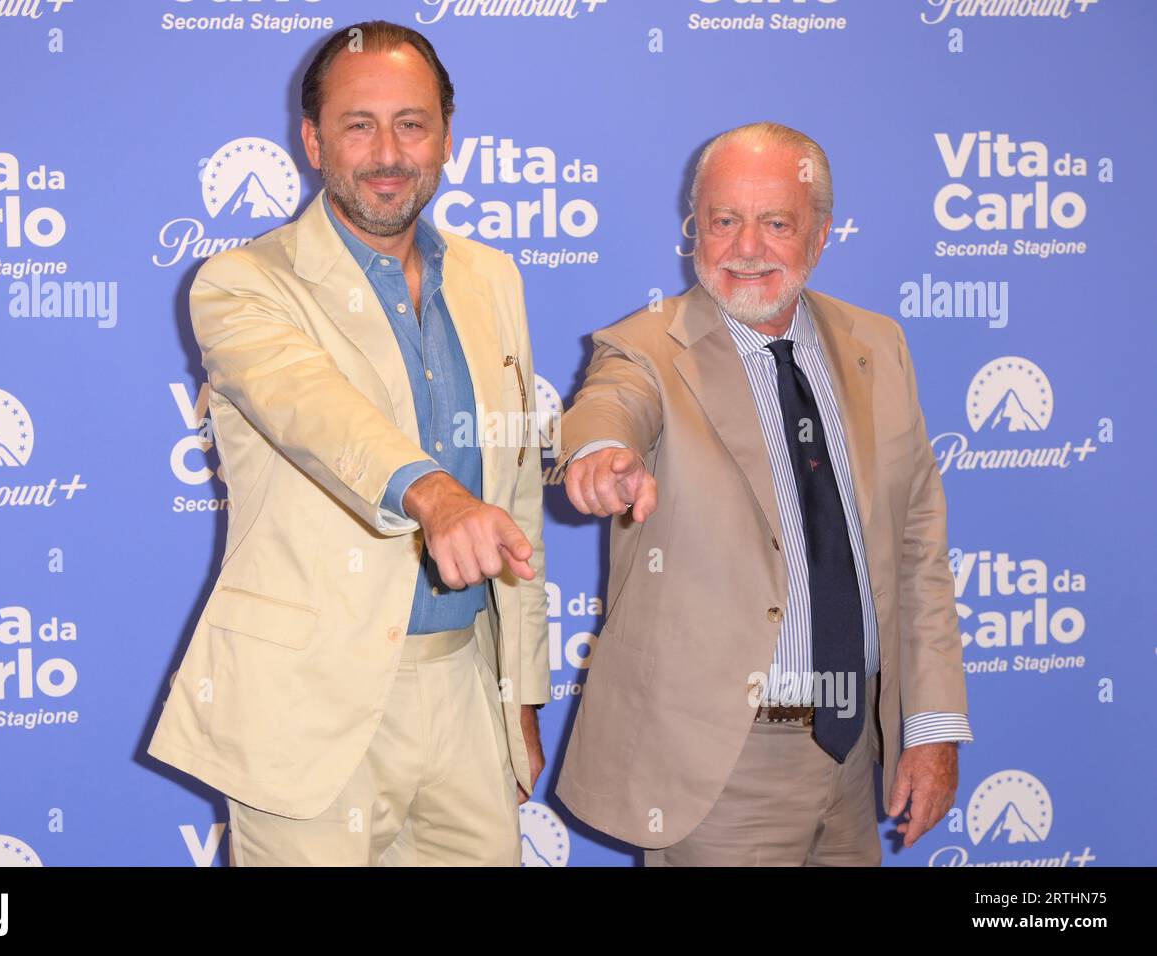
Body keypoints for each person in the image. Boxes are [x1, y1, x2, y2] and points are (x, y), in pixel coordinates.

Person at [147, 20, 549, 866]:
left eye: (412, 123)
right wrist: (434, 494)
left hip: (467, 688)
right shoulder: (241, 283)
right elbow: (318, 413)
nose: (388, 152)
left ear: (447, 136)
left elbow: (513, 497)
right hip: (310, 705)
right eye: (358, 125)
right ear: (312, 140)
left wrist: (521, 698)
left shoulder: (493, 278)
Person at [554, 121, 971, 866]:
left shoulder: (881, 344)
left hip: (853, 753)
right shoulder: (646, 346)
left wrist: (932, 729)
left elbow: (919, 551)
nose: (746, 248)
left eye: (776, 223)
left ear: (821, 233)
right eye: (723, 221)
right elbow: (610, 405)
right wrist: (598, 453)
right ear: (694, 228)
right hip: (719, 768)